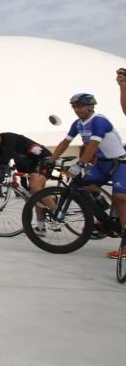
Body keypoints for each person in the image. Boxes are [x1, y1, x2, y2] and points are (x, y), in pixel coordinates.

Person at [46, 93, 126, 259]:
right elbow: (65, 142)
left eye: (80, 106)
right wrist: (51, 159)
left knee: (120, 197)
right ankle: (102, 215)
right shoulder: (78, 124)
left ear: (90, 106)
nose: (77, 110)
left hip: (119, 163)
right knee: (80, 187)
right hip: (102, 164)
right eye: (74, 107)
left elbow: (93, 146)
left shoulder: (99, 121)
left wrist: (79, 164)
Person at [0, 120, 52, 234]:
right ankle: (41, 226)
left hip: (45, 160)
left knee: (35, 188)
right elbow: (1, 163)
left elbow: (5, 158)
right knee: (36, 195)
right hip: (32, 164)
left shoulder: (8, 139)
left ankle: (58, 212)